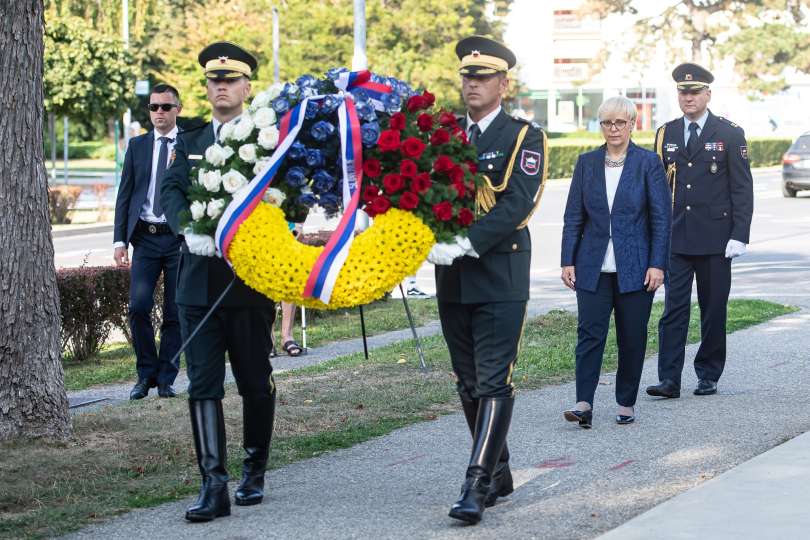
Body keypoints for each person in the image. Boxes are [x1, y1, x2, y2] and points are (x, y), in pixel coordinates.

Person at [431, 35, 547, 525]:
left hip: (498, 272)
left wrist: (465, 241)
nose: (472, 84)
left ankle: (476, 482)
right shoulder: (443, 135)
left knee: (495, 378)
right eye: (466, 76)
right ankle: (499, 470)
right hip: (451, 277)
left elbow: (518, 203)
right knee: (468, 380)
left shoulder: (523, 136)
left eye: (482, 78)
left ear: (503, 83)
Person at [161, 41, 277, 522]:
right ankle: (214, 485)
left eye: (230, 80)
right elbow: (170, 191)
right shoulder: (187, 141)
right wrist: (190, 229)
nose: (221, 86)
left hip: (248, 284)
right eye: (214, 80)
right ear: (207, 88)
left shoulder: (268, 140)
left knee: (254, 381)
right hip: (197, 284)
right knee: (203, 384)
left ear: (247, 87)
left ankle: (254, 470)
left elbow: (283, 199)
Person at [560, 96, 671, 428]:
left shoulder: (648, 163)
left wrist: (657, 264)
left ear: (632, 124)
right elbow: (573, 217)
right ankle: (583, 403)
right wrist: (568, 259)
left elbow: (662, 220)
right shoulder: (586, 163)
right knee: (589, 335)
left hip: (637, 267)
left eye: (620, 122)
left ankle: (625, 401)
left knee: (632, 337)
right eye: (607, 122)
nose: (613, 129)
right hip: (592, 265)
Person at [646, 63, 754, 399]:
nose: (688, 97)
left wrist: (740, 234)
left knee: (713, 309)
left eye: (694, 92)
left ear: (708, 94)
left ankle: (708, 373)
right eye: (683, 92)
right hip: (677, 238)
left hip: (716, 240)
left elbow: (742, 189)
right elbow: (657, 189)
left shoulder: (729, 133)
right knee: (673, 311)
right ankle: (669, 379)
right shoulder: (667, 133)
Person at [113, 83, 184, 400]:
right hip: (145, 238)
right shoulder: (138, 146)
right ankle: (145, 375)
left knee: (175, 312)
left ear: (177, 109)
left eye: (165, 107)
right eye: (154, 107)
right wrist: (119, 241)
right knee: (138, 307)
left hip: (177, 240)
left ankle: (166, 379)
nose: (159, 112)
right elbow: (124, 194)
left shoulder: (189, 145)